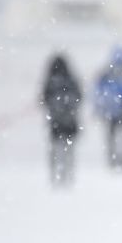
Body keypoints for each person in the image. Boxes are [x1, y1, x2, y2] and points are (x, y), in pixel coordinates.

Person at [40, 54, 82, 185]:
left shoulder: (51, 82)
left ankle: (56, 176)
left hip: (55, 122)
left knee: (55, 149)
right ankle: (68, 174)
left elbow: (44, 99)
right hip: (69, 121)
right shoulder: (71, 80)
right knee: (68, 150)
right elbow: (79, 97)